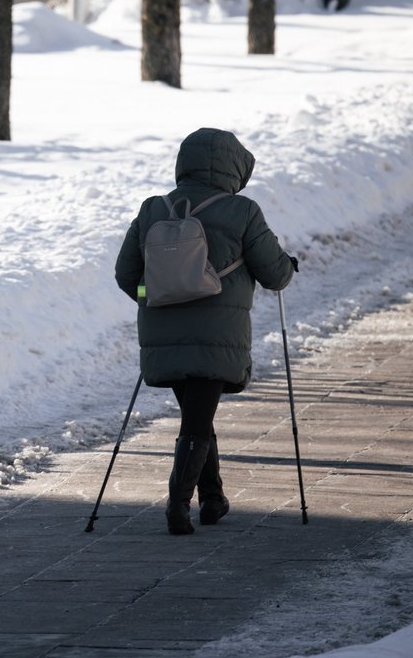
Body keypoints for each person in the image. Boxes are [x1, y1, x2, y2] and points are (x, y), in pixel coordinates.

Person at [114, 127, 296, 535]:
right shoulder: (242, 211)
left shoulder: (153, 209)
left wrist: (156, 294)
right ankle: (178, 505)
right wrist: (288, 263)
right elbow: (276, 276)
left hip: (163, 332)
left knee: (198, 414)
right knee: (197, 420)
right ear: (235, 168)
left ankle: (213, 499)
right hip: (219, 335)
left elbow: (127, 275)